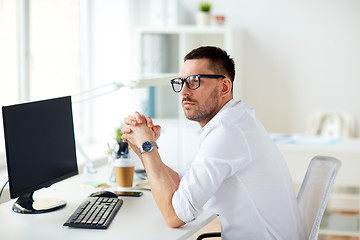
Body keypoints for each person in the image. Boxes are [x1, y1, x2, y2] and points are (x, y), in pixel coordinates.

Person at [121, 46, 304, 239]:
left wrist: (148, 148)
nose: (183, 91)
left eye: (194, 81)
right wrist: (144, 148)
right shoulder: (234, 121)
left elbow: (175, 216)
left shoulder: (227, 131)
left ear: (224, 87)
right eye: (181, 82)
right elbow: (182, 182)